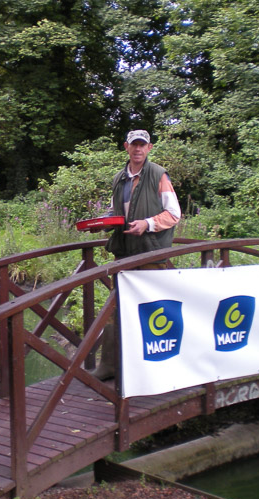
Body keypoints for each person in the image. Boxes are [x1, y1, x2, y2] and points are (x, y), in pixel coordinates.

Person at [92, 130, 181, 379]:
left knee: (154, 310)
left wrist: (147, 223)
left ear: (149, 148)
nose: (138, 149)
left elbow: (174, 214)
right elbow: (115, 210)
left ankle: (154, 368)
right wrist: (105, 222)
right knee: (116, 308)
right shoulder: (119, 178)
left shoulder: (158, 174)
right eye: (134, 145)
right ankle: (110, 366)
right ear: (126, 147)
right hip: (124, 253)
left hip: (151, 254)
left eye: (142, 145)